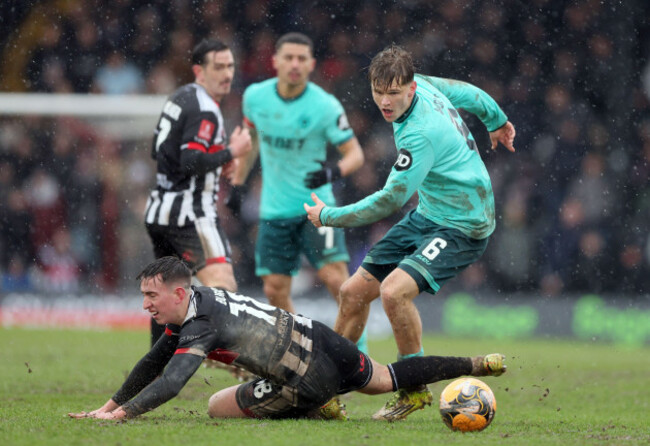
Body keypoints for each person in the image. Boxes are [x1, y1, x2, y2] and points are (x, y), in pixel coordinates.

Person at [304, 45, 516, 421]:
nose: (384, 102)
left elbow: (389, 201)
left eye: (393, 93)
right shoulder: (428, 87)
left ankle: (414, 390)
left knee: (393, 293)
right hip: (430, 213)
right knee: (352, 293)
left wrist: (329, 216)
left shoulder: (419, 134)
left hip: (464, 223)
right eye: (377, 92)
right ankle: (324, 390)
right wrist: (497, 121)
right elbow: (469, 93)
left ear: (411, 88)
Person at [67, 256, 506, 421]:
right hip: (323, 339)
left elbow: (171, 382)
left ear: (177, 293)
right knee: (384, 378)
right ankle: (476, 364)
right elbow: (152, 362)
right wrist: (107, 406)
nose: (145, 304)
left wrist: (121, 417)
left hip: (307, 378)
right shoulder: (200, 299)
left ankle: (319, 406)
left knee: (216, 406)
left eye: (150, 295)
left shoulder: (199, 326)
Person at [227, 32, 367, 351]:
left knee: (337, 282)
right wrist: (237, 183)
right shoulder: (255, 97)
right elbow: (252, 142)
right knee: (275, 289)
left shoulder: (325, 105)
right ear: (274, 61)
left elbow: (355, 155)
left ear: (311, 64)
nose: (294, 64)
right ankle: (302, 354)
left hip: (318, 208)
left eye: (301, 59)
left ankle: (358, 355)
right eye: (288, 57)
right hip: (274, 210)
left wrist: (333, 171)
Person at [143, 38, 252, 346]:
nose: (226, 73)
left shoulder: (181, 96)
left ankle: (156, 367)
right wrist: (230, 151)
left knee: (165, 298)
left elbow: (160, 151)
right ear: (199, 71)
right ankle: (238, 364)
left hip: (159, 213)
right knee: (224, 287)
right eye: (218, 67)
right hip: (190, 215)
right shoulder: (205, 108)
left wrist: (216, 160)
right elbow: (190, 162)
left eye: (230, 66)